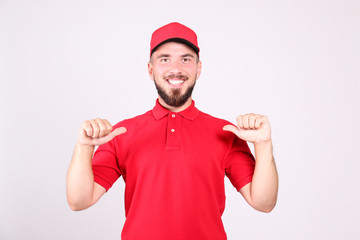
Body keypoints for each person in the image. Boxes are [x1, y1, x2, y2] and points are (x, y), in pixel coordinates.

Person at [66, 22, 278, 240]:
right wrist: (84, 147)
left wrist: (263, 144)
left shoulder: (225, 132)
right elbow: (79, 201)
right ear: (150, 69)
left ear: (198, 68)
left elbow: (263, 203)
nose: (175, 68)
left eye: (185, 59)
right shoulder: (121, 133)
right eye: (164, 59)